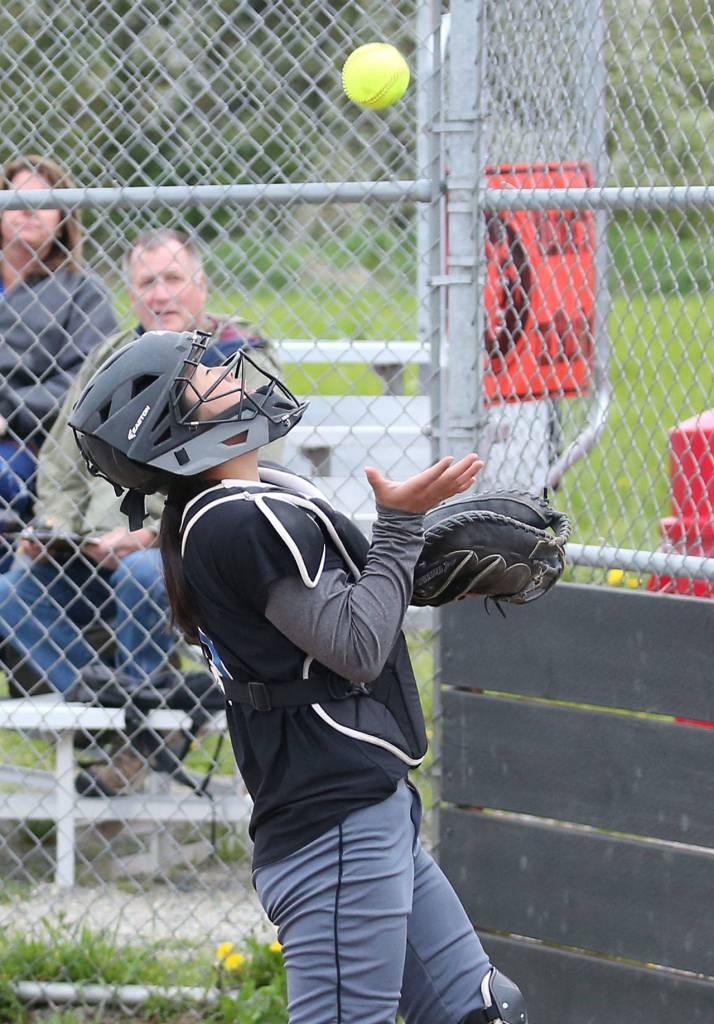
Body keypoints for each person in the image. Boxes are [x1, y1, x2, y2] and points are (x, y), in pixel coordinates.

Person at [68, 328, 528, 1024]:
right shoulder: (231, 520)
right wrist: (401, 527)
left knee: (480, 1011)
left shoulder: (252, 497)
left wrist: (415, 567)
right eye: (202, 377)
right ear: (176, 425)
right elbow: (356, 647)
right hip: (333, 825)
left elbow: (341, 610)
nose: (228, 373)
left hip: (363, 805)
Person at [0, 229, 282, 796]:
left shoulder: (235, 354)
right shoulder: (113, 356)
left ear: (201, 286)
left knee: (141, 574)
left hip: (190, 551)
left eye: (173, 278)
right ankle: (131, 722)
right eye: (146, 283)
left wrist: (152, 534)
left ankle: (137, 735)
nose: (160, 293)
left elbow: (253, 463)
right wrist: (54, 529)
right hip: (92, 549)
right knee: (11, 592)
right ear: (131, 295)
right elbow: (60, 456)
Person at [0, 154, 117, 565]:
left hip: (33, 442)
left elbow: (87, 386)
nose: (29, 210)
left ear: (63, 218)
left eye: (45, 201)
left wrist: (8, 413)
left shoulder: (83, 292)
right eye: (17, 199)